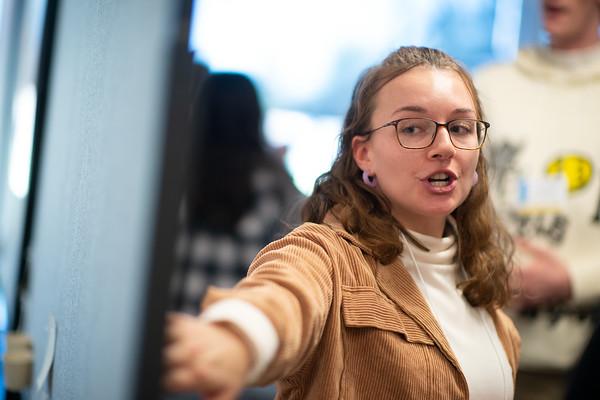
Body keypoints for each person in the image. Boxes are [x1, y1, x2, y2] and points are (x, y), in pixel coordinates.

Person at [163, 46, 520, 400]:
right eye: (412, 128)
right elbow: (287, 295)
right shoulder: (329, 254)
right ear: (364, 153)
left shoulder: (480, 280)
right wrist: (236, 339)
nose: (444, 146)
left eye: (460, 128)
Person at [474, 1, 600, 398]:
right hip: (486, 354)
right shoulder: (488, 87)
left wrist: (572, 281)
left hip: (586, 364)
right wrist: (491, 267)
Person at [168, 72, 303, 400]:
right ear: (255, 116)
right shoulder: (275, 186)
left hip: (177, 347)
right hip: (243, 354)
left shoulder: (177, 178)